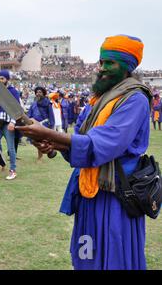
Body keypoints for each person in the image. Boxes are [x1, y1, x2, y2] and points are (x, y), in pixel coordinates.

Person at [17, 35, 152, 270]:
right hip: (89, 192)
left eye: (110, 62)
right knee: (85, 255)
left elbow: (102, 144)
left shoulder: (135, 100)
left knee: (115, 259)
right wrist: (55, 145)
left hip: (116, 196)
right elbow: (80, 138)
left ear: (127, 66)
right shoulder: (96, 100)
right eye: (101, 62)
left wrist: (49, 135)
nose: (102, 68)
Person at [27, 86, 54, 162]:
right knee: (35, 141)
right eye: (37, 92)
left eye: (40, 92)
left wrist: (51, 125)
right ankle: (46, 153)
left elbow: (51, 115)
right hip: (34, 125)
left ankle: (40, 157)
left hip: (44, 124)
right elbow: (30, 114)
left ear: (43, 93)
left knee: (41, 141)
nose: (38, 94)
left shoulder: (47, 103)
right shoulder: (33, 104)